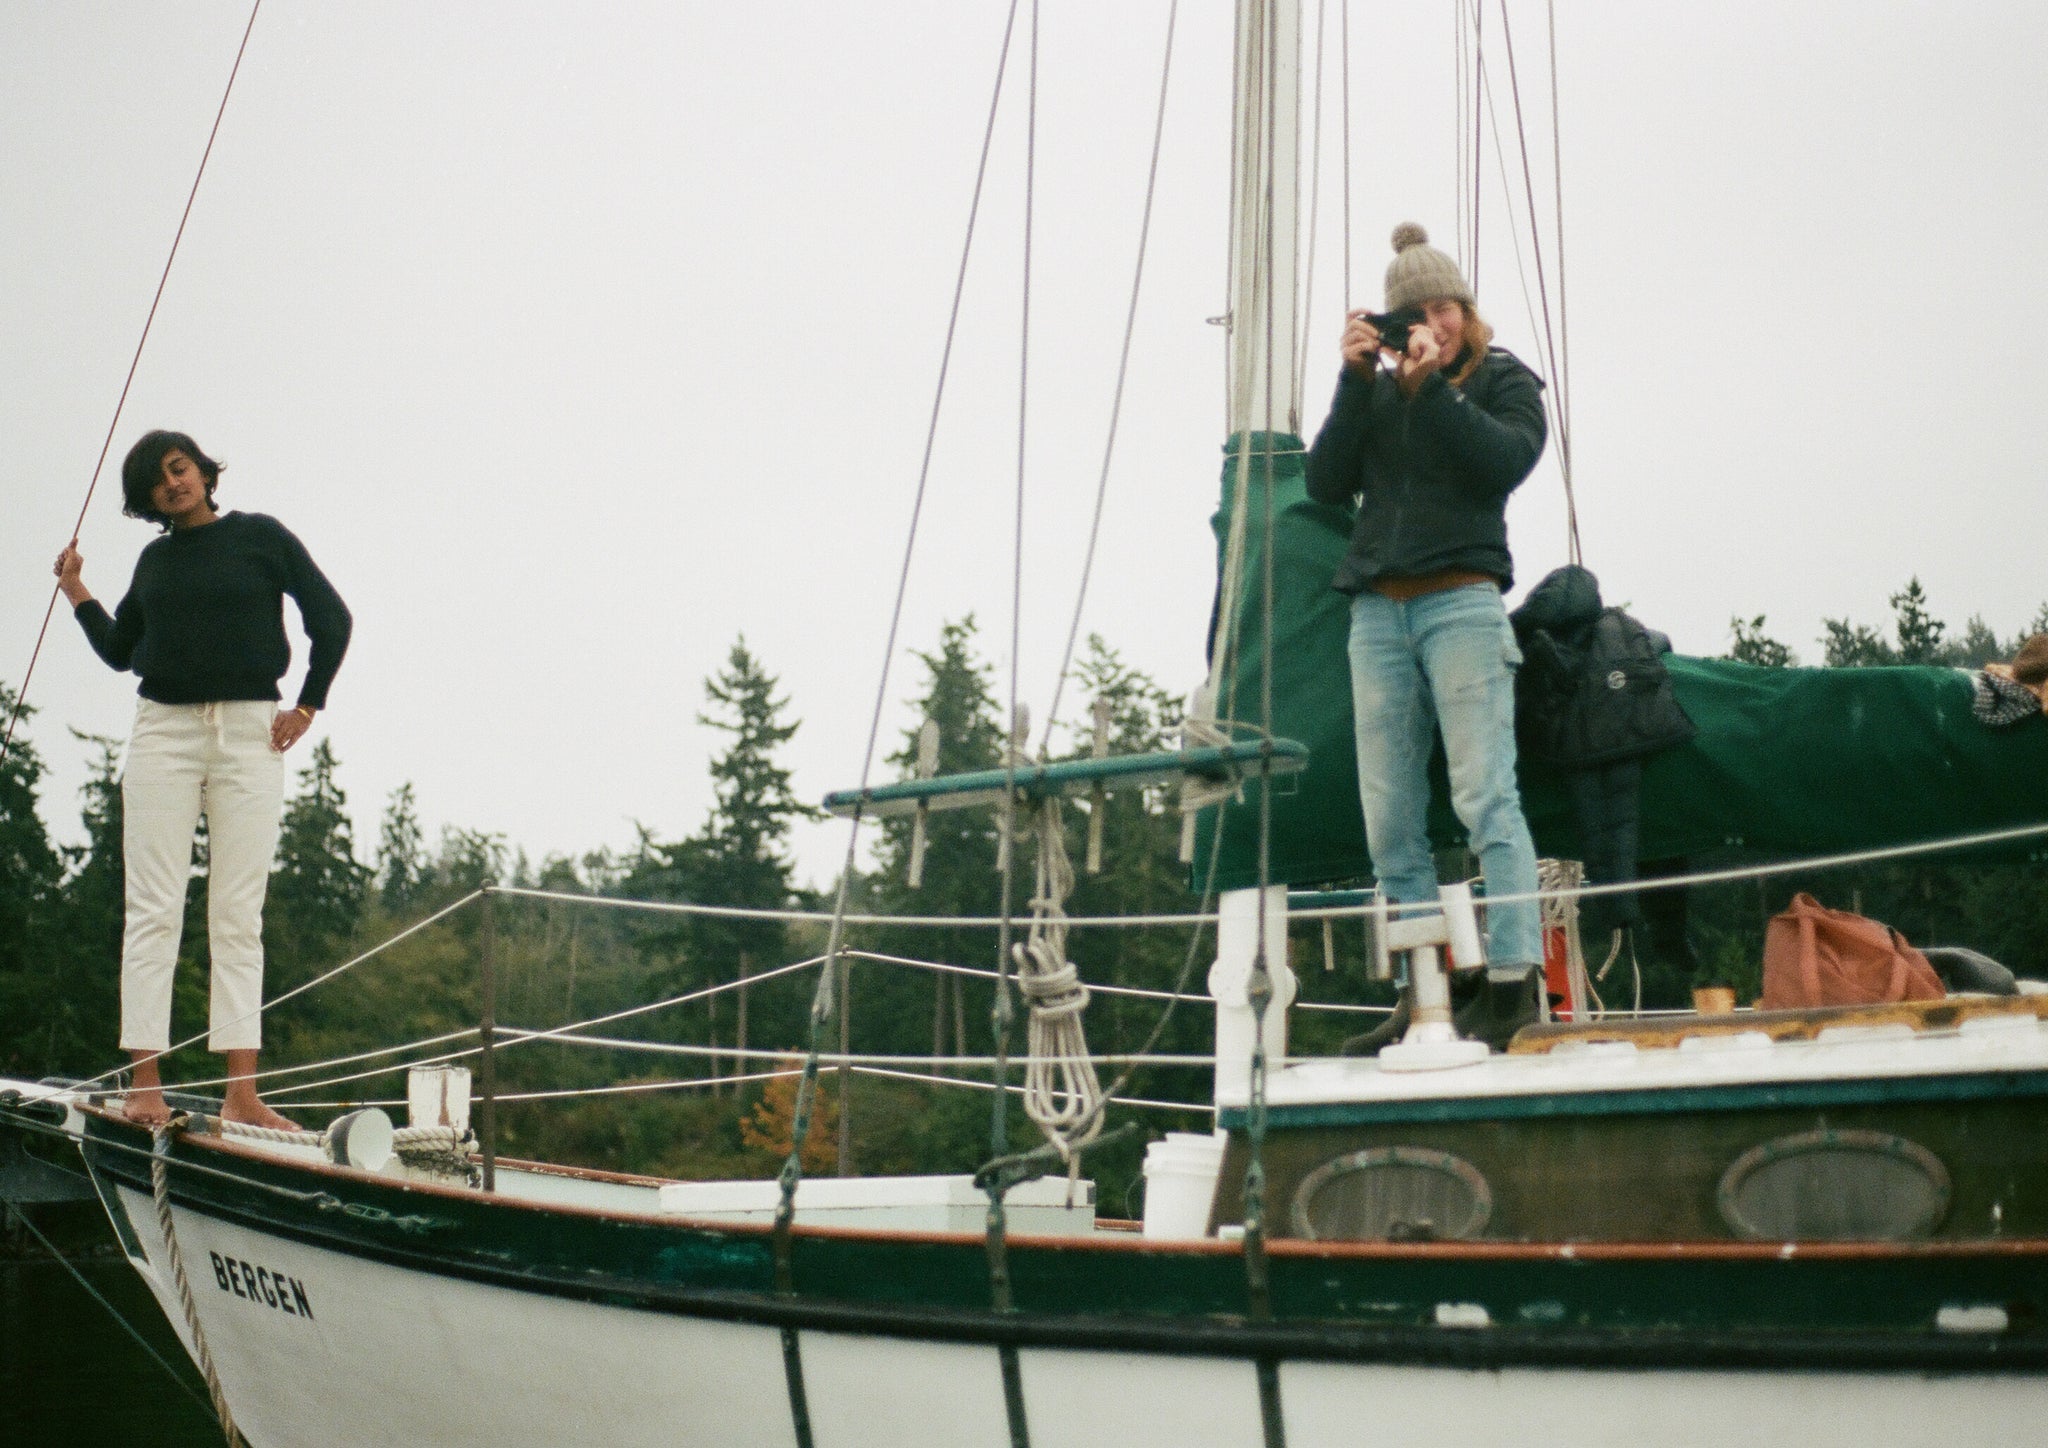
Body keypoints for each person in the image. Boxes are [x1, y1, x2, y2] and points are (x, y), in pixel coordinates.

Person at [53, 430, 351, 1127]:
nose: (174, 485)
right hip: (165, 733)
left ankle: (242, 1094)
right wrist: (76, 590)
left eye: (179, 469)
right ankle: (144, 1086)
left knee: (237, 914)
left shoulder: (261, 537)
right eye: (158, 483)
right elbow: (122, 652)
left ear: (202, 470)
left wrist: (309, 703)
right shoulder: (155, 563)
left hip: (250, 731)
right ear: (147, 501)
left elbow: (331, 618)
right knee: (153, 908)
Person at [1305, 223, 1548, 1051]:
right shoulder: (1374, 392)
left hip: (1462, 603)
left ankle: (1514, 988)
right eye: (1415, 315)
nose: (1431, 326)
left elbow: (1502, 464)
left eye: (1443, 309)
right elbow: (1327, 481)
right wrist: (1351, 377)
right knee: (1390, 825)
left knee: (1486, 797)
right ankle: (1426, 998)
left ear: (1466, 311)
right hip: (1377, 612)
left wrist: (1435, 390)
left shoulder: (1504, 381)